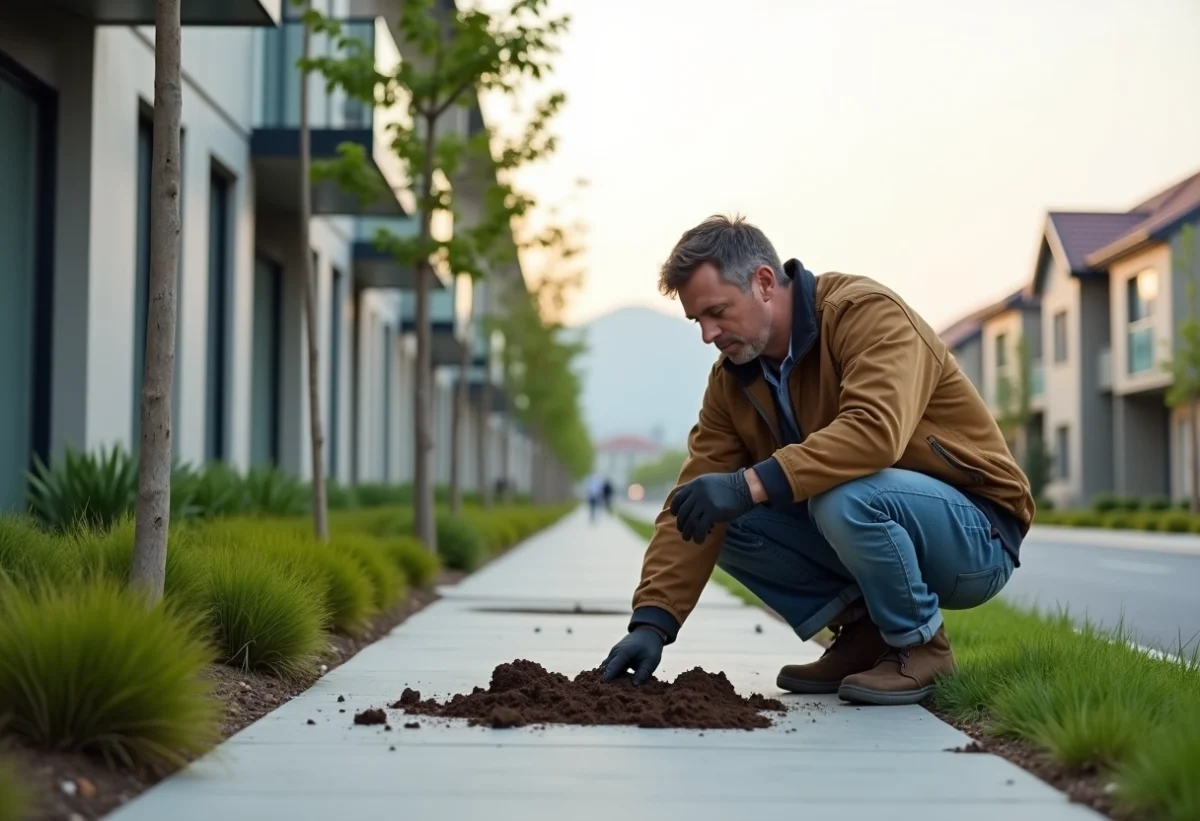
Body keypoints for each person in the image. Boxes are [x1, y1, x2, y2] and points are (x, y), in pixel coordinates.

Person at [599, 215, 1033, 706]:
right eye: (697, 320)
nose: (707, 334)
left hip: (976, 533)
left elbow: (874, 433)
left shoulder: (865, 314)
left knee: (838, 495)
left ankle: (922, 647)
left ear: (764, 282)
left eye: (717, 312)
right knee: (712, 513)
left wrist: (750, 484)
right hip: (874, 513)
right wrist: (653, 621)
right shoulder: (732, 380)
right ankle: (868, 636)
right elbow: (692, 500)